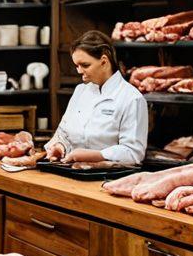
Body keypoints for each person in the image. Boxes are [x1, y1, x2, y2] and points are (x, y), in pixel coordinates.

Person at [44, 30, 147, 165]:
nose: (79, 71)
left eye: (85, 65)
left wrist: (95, 155)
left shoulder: (132, 98)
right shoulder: (80, 91)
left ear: (104, 62)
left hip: (108, 176)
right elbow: (63, 133)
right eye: (77, 66)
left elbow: (133, 153)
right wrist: (59, 146)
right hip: (73, 171)